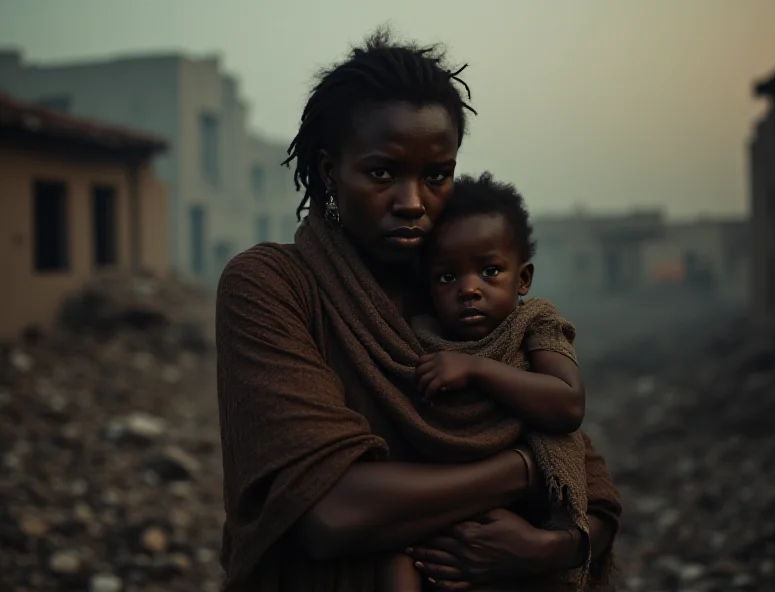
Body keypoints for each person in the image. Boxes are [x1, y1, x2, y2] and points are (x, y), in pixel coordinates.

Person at [215, 29, 621, 592]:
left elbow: (592, 486)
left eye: (436, 176)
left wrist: (547, 547)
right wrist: (529, 467)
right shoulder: (271, 286)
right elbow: (330, 512)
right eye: (382, 173)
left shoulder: (460, 293)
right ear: (331, 172)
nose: (413, 203)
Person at [378, 172, 591, 591]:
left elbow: (568, 404)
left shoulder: (535, 324)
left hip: (519, 516)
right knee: (394, 561)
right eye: (447, 277)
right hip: (436, 512)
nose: (469, 289)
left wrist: (477, 369)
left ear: (523, 278)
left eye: (490, 271)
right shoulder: (417, 337)